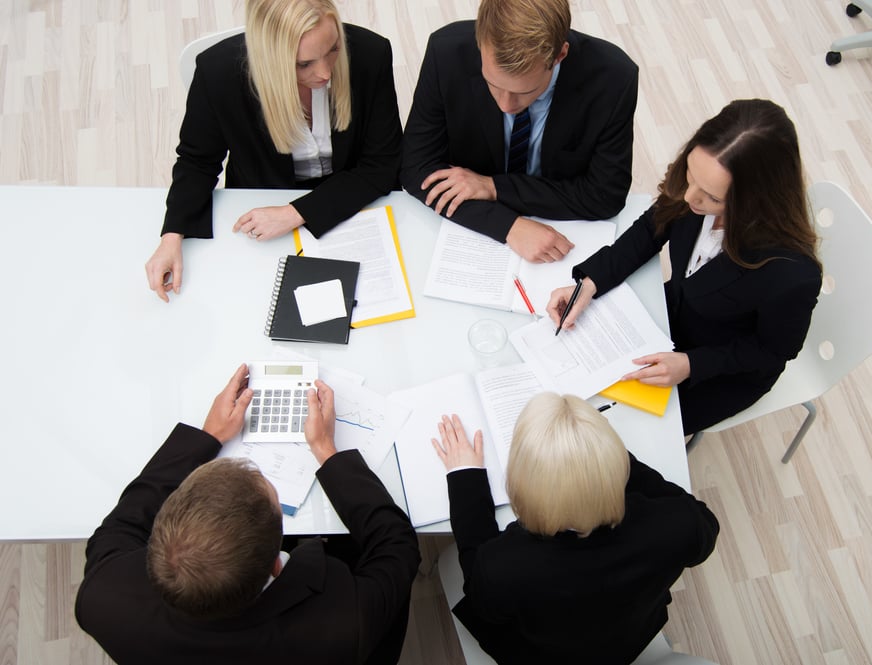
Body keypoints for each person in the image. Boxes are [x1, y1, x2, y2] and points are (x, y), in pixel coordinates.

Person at [75, 364, 420, 665]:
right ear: (276, 562)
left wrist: (208, 437)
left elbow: (128, 515)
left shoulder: (101, 597)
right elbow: (397, 545)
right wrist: (327, 452)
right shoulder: (345, 625)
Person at [548, 99, 823, 435]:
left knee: (619, 435)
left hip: (720, 369)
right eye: (690, 175)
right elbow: (654, 226)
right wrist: (591, 282)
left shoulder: (792, 274)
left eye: (711, 197)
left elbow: (774, 350)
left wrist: (691, 365)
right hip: (671, 317)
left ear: (755, 200)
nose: (690, 198)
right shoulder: (698, 188)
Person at [432, 393, 719, 664]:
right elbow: (702, 521)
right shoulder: (681, 525)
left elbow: (481, 595)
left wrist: (464, 478)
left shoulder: (503, 566)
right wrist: (602, 458)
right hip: (630, 636)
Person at [145, 0, 402, 302]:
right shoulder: (218, 74)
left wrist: (295, 213)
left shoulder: (370, 53)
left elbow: (383, 164)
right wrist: (173, 235)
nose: (325, 74)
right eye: (304, 64)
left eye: (332, 49)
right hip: (262, 206)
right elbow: (198, 161)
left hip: (354, 200)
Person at [401, 0, 639, 263]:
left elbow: (605, 196)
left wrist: (494, 187)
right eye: (492, 84)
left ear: (559, 55)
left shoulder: (614, 79)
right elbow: (417, 168)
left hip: (563, 237)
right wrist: (507, 225)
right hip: (470, 234)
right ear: (480, 44)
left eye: (524, 92)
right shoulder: (445, 53)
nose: (505, 105)